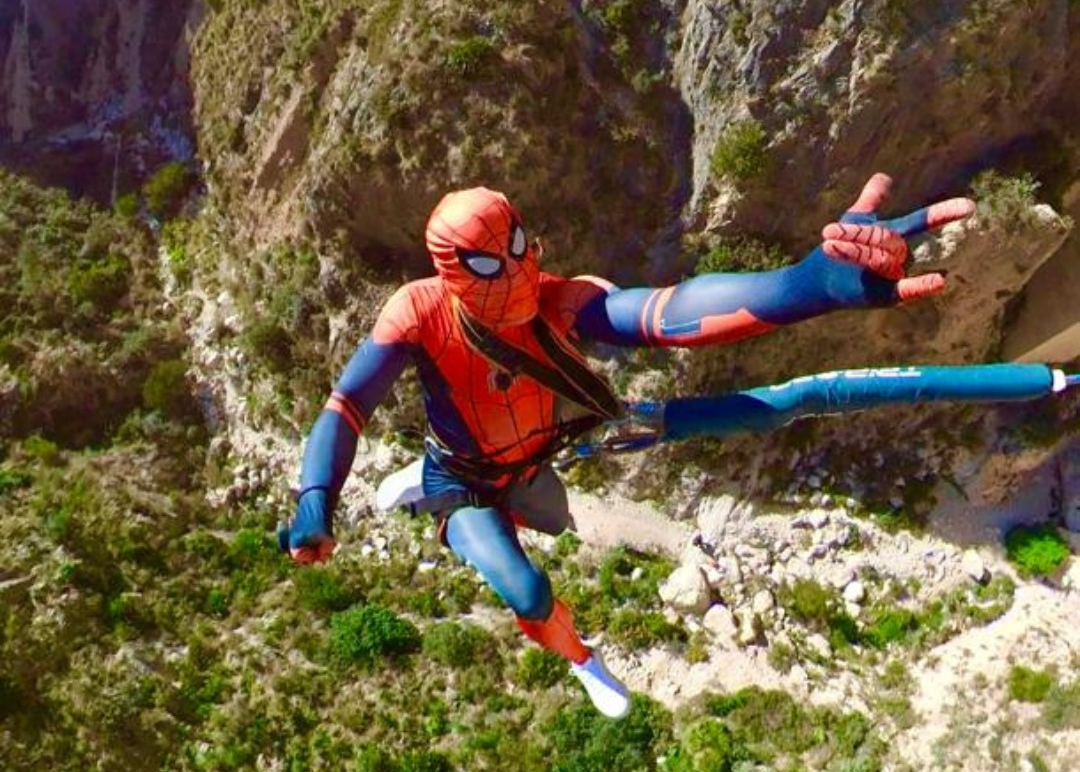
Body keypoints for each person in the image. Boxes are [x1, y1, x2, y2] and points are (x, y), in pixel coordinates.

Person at [282, 174, 974, 718]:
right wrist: (316, 498)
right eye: (491, 265)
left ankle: (442, 493)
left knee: (768, 411)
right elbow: (348, 404)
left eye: (520, 249)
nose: (517, 273)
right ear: (454, 273)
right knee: (526, 588)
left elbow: (670, 313)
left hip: (551, 445)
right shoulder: (420, 312)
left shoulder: (559, 299)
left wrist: (808, 285)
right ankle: (583, 661)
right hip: (464, 476)